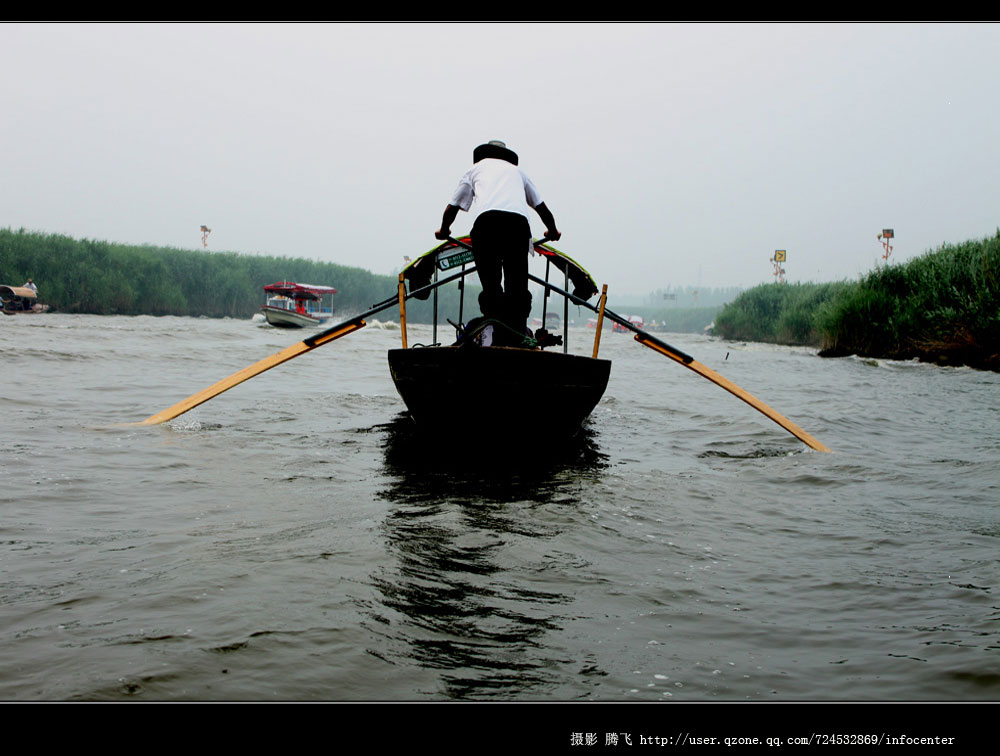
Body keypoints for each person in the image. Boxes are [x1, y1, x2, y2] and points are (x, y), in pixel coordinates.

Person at [436, 140, 560, 346]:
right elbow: (541, 207)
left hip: (487, 226)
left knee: (491, 284)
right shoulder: (518, 172)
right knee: (517, 286)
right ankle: (516, 333)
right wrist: (553, 231)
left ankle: (495, 331)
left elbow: (453, 206)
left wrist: (444, 230)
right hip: (517, 227)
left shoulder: (475, 169)